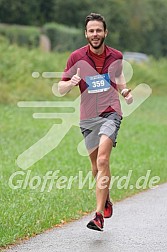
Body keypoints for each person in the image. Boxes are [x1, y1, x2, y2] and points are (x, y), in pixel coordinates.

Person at [58, 13, 133, 231]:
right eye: (91, 31)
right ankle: (106, 198)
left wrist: (125, 91)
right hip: (88, 117)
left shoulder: (116, 56)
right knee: (94, 167)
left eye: (98, 30)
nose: (95, 34)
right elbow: (60, 89)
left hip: (111, 112)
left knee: (102, 161)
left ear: (105, 32)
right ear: (86, 34)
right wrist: (70, 83)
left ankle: (98, 215)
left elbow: (119, 79)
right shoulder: (76, 57)